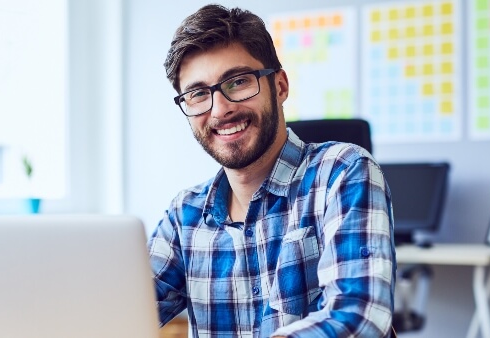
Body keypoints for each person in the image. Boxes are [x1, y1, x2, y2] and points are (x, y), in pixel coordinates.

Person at [148, 4, 396, 338]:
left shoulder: (342, 172)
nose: (220, 109)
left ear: (279, 86)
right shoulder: (185, 214)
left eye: (237, 82)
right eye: (197, 94)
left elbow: (359, 317)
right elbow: (121, 313)